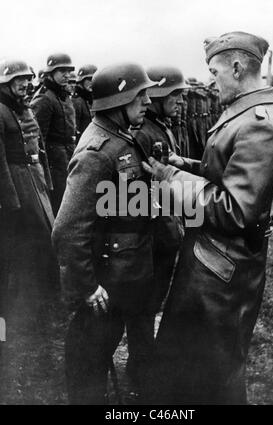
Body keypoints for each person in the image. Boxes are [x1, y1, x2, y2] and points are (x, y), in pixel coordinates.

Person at [142, 31, 273, 405]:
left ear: (237, 68)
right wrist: (184, 164)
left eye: (214, 70)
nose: (210, 80)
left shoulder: (258, 123)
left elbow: (234, 208)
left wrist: (169, 177)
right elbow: (226, 171)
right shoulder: (248, 110)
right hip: (215, 261)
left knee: (209, 375)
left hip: (220, 273)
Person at [52, 63, 158, 404]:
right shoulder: (97, 152)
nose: (147, 102)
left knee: (100, 351)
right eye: (140, 95)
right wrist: (87, 285)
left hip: (124, 272)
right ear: (118, 100)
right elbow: (67, 230)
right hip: (105, 281)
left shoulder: (119, 137)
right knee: (86, 365)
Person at [0, 59, 56, 398]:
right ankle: (16, 316)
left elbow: (39, 147)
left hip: (33, 179)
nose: (24, 85)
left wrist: (45, 179)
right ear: (6, 84)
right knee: (24, 248)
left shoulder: (21, 108)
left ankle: (34, 305)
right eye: (18, 81)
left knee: (40, 242)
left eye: (26, 80)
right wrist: (11, 202)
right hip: (17, 185)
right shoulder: (1, 111)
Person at [131, 65, 188, 355]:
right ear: (159, 94)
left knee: (154, 297)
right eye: (175, 95)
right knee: (146, 300)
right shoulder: (143, 133)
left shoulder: (159, 127)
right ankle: (141, 362)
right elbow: (138, 192)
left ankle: (143, 358)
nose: (181, 102)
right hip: (153, 232)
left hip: (165, 226)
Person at [31, 53, 76, 216]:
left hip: (68, 152)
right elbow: (38, 137)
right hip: (54, 159)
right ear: (51, 73)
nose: (67, 74)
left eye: (68, 70)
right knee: (60, 199)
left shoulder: (62, 95)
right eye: (61, 70)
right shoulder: (45, 98)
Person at [72, 64, 97, 143]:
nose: (92, 83)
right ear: (81, 81)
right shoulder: (77, 101)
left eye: (94, 79)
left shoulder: (91, 98)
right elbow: (74, 129)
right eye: (89, 79)